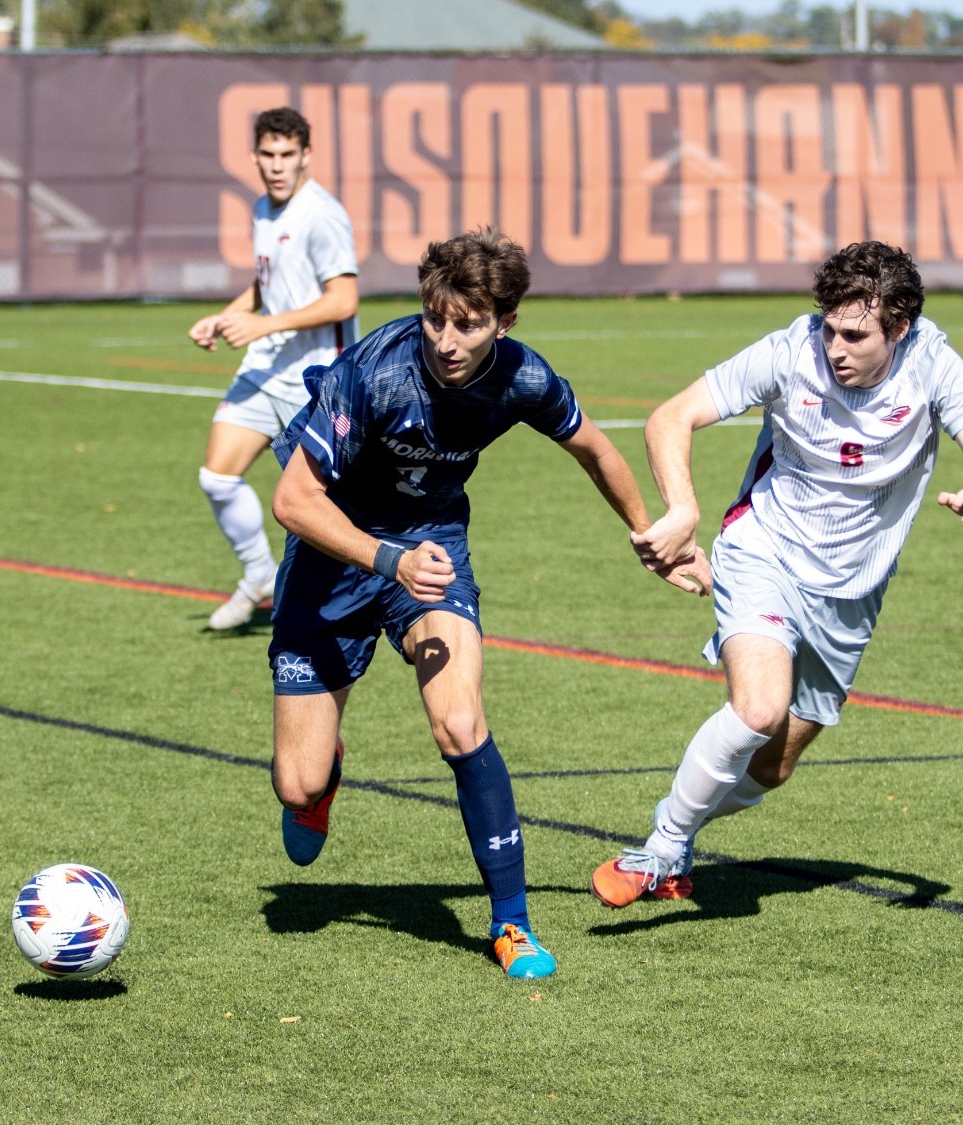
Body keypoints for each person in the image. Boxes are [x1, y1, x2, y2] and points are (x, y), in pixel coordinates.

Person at [267, 229, 708, 979]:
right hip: (335, 557)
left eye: (467, 322)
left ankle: (511, 924)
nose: (446, 338)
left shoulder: (523, 378)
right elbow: (292, 498)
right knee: (297, 780)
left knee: (460, 720)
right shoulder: (374, 369)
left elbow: (596, 447)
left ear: (504, 321)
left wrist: (650, 535)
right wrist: (386, 558)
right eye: (436, 317)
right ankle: (321, 781)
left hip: (434, 554)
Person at [591, 241, 963, 907]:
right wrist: (683, 509)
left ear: (899, 330)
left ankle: (680, 826)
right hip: (764, 549)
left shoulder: (933, 362)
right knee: (758, 708)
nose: (834, 347)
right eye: (828, 327)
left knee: (773, 764)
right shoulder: (790, 352)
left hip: (851, 596)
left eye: (854, 334)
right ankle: (661, 849)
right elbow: (670, 417)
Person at [188, 106, 360, 631]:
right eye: (269, 155)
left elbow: (344, 300)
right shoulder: (263, 206)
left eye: (289, 155)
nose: (278, 165)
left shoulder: (322, 215)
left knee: (321, 509)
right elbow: (269, 281)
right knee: (217, 477)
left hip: (315, 379)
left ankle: (361, 601)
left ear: (307, 155)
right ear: (256, 157)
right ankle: (260, 573)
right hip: (265, 370)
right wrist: (230, 315)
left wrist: (264, 326)